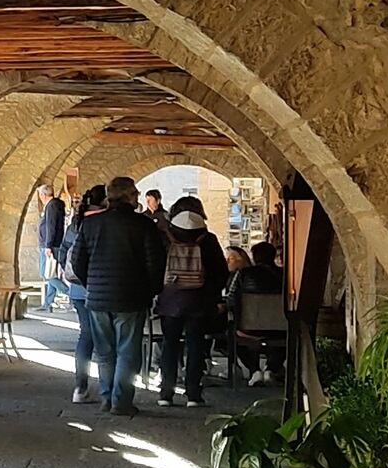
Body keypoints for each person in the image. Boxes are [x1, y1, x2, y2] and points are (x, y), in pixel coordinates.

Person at [70, 175, 166, 417]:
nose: (137, 197)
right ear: (127, 196)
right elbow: (156, 263)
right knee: (127, 351)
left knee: (105, 351)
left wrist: (90, 283)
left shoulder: (91, 225)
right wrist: (151, 291)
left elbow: (77, 261)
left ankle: (106, 397)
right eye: (134, 193)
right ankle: (121, 401)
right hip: (131, 298)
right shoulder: (144, 225)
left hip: (98, 298)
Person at [154, 196, 227, 408]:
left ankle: (166, 393)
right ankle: (193, 394)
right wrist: (211, 294)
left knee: (170, 345)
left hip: (170, 301)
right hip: (199, 302)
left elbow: (157, 266)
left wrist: (161, 290)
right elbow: (220, 272)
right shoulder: (208, 239)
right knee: (196, 346)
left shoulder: (166, 237)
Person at [64, 189, 107, 403]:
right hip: (101, 288)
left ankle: (80, 387)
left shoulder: (75, 223)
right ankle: (109, 390)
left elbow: (64, 253)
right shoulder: (103, 223)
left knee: (86, 335)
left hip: (78, 290)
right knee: (105, 337)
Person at [227, 240, 286, 388]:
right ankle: (271, 368)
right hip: (280, 328)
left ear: (254, 256)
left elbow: (231, 298)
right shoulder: (285, 275)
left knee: (231, 335)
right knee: (288, 338)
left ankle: (254, 370)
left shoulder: (243, 274)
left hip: (248, 328)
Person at [36, 183, 69, 312]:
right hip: (51, 244)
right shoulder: (54, 205)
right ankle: (47, 303)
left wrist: (48, 245)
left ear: (43, 195)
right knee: (51, 273)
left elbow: (51, 226)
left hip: (50, 245)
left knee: (47, 274)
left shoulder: (52, 206)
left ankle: (70, 294)